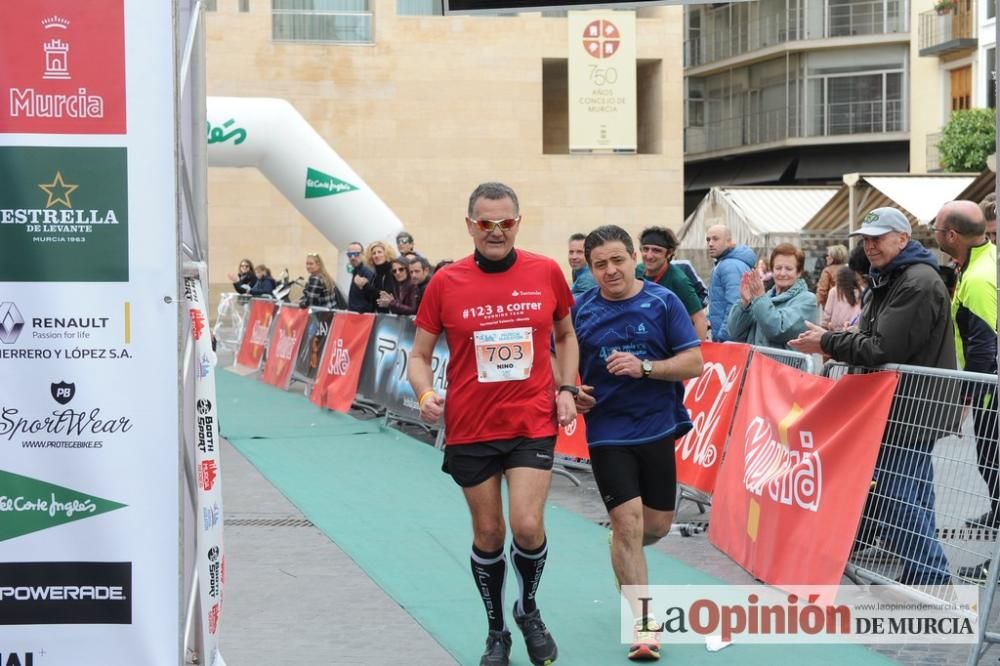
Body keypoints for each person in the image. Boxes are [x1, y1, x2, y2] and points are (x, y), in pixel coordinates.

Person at [408, 182, 577, 666]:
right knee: (489, 533)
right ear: (470, 226)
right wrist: (424, 393)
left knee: (526, 525)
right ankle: (497, 631)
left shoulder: (545, 272)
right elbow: (419, 356)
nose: (496, 231)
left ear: (517, 223)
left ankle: (527, 608)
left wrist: (566, 387)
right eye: (486, 223)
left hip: (531, 420)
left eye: (505, 222)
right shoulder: (446, 282)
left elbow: (566, 336)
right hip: (472, 427)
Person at [790, 207, 956, 587]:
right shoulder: (896, 277)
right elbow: (875, 340)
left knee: (898, 492)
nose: (869, 245)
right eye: (866, 239)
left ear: (902, 238)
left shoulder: (915, 281)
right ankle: (925, 572)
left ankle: (931, 574)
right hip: (902, 404)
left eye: (877, 238)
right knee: (911, 492)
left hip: (908, 405)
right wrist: (831, 342)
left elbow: (883, 347)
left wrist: (828, 341)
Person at [571, 225, 703, 661]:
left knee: (656, 526)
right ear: (590, 269)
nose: (610, 271)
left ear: (634, 258)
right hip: (607, 431)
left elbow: (694, 362)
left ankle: (623, 555)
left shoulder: (663, 302)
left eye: (617, 260)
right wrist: (572, 392)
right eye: (599, 265)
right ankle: (644, 626)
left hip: (657, 425)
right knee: (626, 524)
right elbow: (560, 359)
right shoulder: (581, 309)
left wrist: (645, 367)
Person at [932, 201, 998, 581]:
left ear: (951, 236)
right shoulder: (978, 264)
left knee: (994, 472)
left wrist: (967, 400)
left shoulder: (977, 278)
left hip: (992, 397)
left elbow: (983, 348)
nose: (936, 235)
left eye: (939, 229)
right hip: (990, 393)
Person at [726, 243, 816, 349]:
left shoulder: (807, 300)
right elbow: (734, 334)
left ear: (799, 272)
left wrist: (759, 298)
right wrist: (744, 304)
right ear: (772, 271)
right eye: (778, 268)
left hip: (785, 365)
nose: (782, 273)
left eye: (788, 269)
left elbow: (778, 330)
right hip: (756, 364)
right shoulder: (764, 298)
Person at [636, 227, 709, 340]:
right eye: (645, 249)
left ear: (669, 253)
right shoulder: (638, 271)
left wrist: (696, 353)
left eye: (656, 250)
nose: (649, 256)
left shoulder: (678, 280)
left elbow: (700, 320)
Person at [705, 225, 755, 342]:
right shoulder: (725, 263)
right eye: (708, 240)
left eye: (715, 239)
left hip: (729, 341)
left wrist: (723, 337)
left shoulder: (730, 266)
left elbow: (735, 304)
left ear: (729, 242)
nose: (710, 244)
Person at [820, 265, 862, 332]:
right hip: (855, 332)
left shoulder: (834, 291)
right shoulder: (861, 291)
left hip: (836, 333)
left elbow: (827, 314)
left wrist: (824, 328)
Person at [365, 240, 397, 313]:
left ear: (387, 254)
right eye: (374, 253)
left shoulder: (392, 271)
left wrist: (366, 286)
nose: (376, 255)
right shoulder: (375, 274)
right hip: (378, 315)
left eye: (379, 252)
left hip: (391, 316)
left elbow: (386, 294)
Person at [815, 244, 849, 308]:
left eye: (828, 255)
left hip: (831, 306)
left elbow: (822, 291)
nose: (826, 257)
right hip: (847, 305)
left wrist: (815, 305)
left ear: (834, 257)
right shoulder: (848, 269)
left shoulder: (827, 271)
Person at [346, 241, 375, 313]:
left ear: (363, 254)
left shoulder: (367, 272)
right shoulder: (356, 270)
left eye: (356, 254)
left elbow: (371, 300)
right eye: (349, 254)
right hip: (354, 315)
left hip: (362, 318)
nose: (352, 257)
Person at [567, 232, 597, 297]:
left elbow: (576, 304)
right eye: (571, 252)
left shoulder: (588, 278)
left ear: (588, 254)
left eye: (579, 252)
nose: (574, 257)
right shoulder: (577, 269)